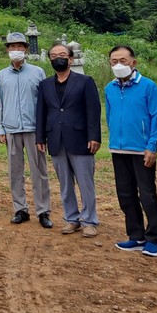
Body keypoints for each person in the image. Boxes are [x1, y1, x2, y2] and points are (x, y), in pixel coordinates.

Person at [36, 41, 102, 238]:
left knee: (85, 182)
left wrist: (94, 136)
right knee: (65, 183)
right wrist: (40, 137)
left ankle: (89, 220)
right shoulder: (45, 84)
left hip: (80, 138)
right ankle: (72, 218)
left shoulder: (85, 81)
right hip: (55, 139)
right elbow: (41, 112)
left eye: (62, 55)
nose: (58, 59)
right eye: (54, 56)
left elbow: (93, 111)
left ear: (71, 59)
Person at [106, 45, 157, 257]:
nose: (119, 64)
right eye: (114, 61)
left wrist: (152, 146)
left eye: (123, 60)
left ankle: (153, 238)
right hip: (118, 149)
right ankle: (136, 235)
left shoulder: (148, 86)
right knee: (125, 193)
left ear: (133, 62)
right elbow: (110, 116)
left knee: (147, 194)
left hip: (142, 150)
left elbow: (156, 117)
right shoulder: (109, 88)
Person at [0, 33, 51, 228]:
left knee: (39, 171)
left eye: (19, 47)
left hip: (34, 129)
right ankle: (20, 209)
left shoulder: (38, 72)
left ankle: (43, 211)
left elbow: (45, 102)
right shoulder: (1, 75)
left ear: (26, 49)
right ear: (7, 50)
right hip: (11, 129)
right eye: (12, 47)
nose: (16, 50)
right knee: (15, 171)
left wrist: (44, 129)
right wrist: (0, 128)